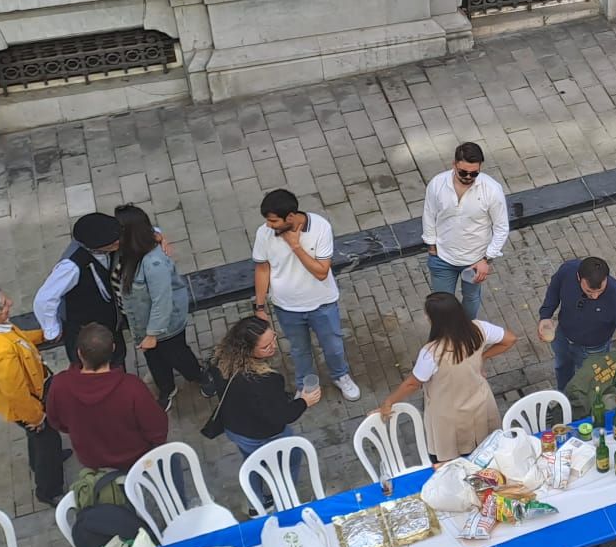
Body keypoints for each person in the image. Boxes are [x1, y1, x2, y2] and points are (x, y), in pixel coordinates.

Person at [377, 292, 521, 463]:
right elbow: (510, 339)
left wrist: (388, 402)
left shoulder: (431, 353)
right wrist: (483, 356)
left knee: (449, 462)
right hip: (481, 404)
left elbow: (412, 384)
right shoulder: (479, 329)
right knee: (487, 454)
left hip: (448, 416)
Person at [251, 189, 359, 401]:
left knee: (333, 346)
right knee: (299, 350)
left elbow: (321, 272)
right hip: (286, 307)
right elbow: (262, 269)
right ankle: (305, 384)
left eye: (273, 221)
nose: (268, 225)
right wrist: (260, 307)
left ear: (290, 217)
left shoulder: (320, 227)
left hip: (322, 304)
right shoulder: (264, 234)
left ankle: (340, 375)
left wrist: (296, 246)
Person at [0, 286, 66, 502]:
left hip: (31, 395)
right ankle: (49, 490)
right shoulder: (1, 352)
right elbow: (16, 392)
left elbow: (20, 338)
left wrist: (42, 336)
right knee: (47, 439)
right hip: (29, 404)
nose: (10, 302)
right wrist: (36, 417)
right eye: (3, 305)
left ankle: (37, 463)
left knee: (38, 439)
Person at [114, 205, 219, 412]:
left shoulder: (153, 263)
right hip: (140, 322)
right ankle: (166, 388)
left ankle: (199, 375)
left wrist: (153, 334)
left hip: (164, 325)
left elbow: (162, 301)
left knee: (176, 354)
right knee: (154, 359)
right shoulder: (124, 250)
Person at [210, 316, 320, 509]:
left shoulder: (221, 360)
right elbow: (282, 415)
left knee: (251, 463)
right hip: (263, 435)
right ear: (247, 349)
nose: (273, 347)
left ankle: (256, 503)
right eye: (265, 346)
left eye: (274, 338)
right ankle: (285, 503)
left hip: (235, 428)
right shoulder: (265, 380)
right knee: (290, 461)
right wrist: (304, 401)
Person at [45, 324, 168, 472]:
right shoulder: (132, 387)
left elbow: (56, 421)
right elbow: (156, 427)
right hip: (136, 460)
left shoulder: (60, 385)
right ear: (113, 349)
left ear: (79, 353)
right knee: (170, 467)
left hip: (93, 462)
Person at [422, 141, 510, 320]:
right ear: (454, 164)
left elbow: (501, 227)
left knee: (471, 298)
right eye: (463, 172)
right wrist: (432, 247)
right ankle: (445, 338)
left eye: (474, 173)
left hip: (474, 261)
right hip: (442, 258)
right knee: (442, 304)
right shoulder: (437, 184)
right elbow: (429, 215)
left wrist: (487, 259)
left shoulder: (492, 190)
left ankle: (466, 334)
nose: (468, 177)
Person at [538, 256, 616, 390]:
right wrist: (546, 315)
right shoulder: (567, 271)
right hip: (562, 337)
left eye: (600, 291)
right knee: (562, 368)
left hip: (593, 349)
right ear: (579, 278)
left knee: (590, 383)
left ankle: (583, 408)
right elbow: (554, 290)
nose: (595, 296)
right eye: (589, 292)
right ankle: (564, 399)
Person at [35, 212, 123, 367]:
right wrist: (52, 330)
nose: (119, 242)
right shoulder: (71, 267)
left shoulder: (111, 244)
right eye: (113, 241)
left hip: (108, 322)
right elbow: (45, 298)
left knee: (117, 357)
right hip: (85, 330)